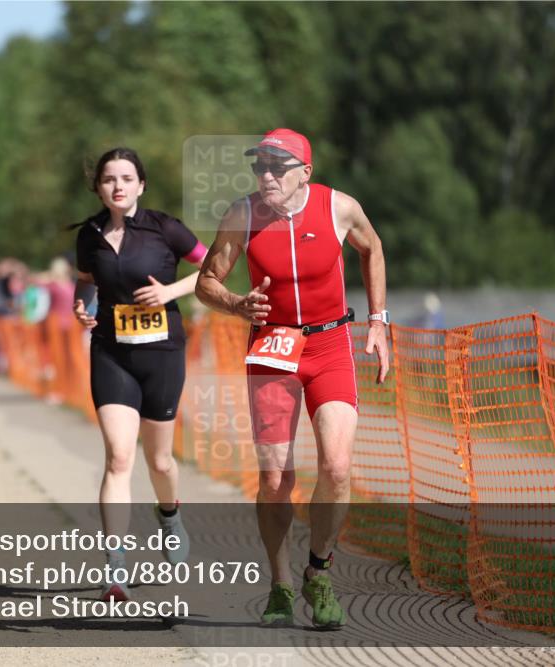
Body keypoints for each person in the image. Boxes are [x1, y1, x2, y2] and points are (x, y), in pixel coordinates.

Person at [195, 128, 390, 629]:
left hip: (329, 345)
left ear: (306, 171)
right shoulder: (241, 215)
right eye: (259, 166)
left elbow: (373, 249)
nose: (266, 176)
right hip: (273, 347)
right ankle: (280, 584)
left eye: (277, 167)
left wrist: (379, 322)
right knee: (275, 478)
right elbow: (206, 281)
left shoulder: (339, 208)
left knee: (338, 467)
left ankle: (319, 571)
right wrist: (237, 305)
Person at [72, 147, 208, 602]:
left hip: (162, 354)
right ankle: (115, 567)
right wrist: (81, 304)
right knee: (118, 457)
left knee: (161, 462)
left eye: (127, 178)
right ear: (99, 188)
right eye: (109, 179)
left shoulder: (164, 227)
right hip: (111, 353)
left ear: (141, 185)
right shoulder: (89, 235)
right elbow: (87, 280)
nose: (118, 186)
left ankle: (169, 514)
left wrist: (170, 290)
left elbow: (212, 266)